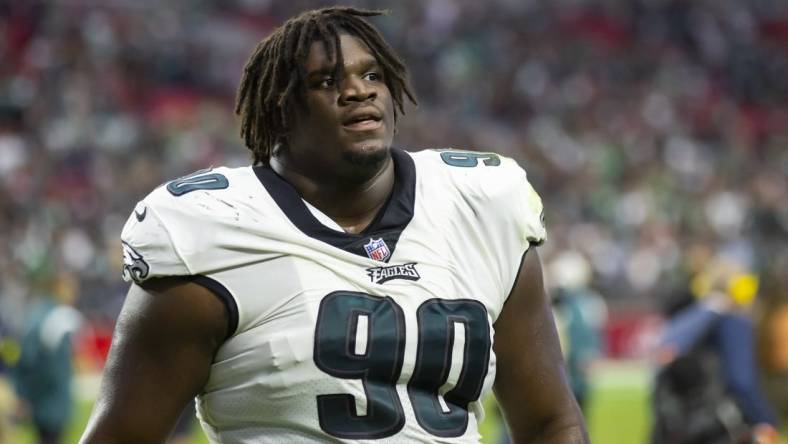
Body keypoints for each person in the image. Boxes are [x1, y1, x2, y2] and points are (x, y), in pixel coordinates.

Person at [80, 7, 587, 444]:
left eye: (372, 76)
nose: (356, 92)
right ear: (278, 110)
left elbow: (549, 421)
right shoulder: (211, 235)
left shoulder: (482, 207)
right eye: (325, 82)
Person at [652, 258, 780, 444]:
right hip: (718, 426)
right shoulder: (733, 322)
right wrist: (764, 419)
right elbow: (741, 380)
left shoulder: (691, 318)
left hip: (678, 425)